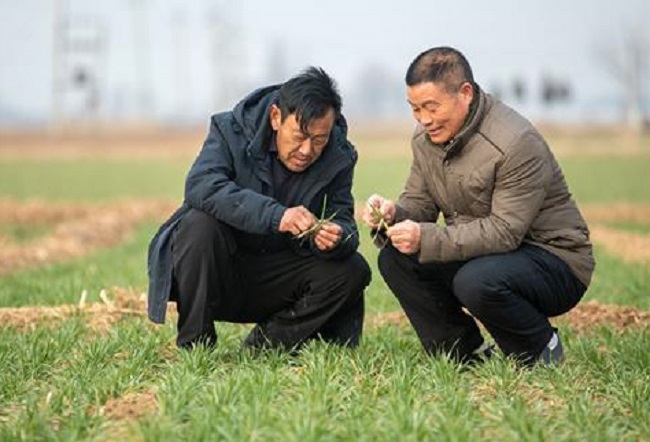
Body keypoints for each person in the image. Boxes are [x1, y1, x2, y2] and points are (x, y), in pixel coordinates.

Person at [362, 47, 595, 366]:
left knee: (475, 280)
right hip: (488, 255)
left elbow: (505, 232)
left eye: (431, 106)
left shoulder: (515, 142)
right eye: (415, 108)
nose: (424, 119)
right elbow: (420, 203)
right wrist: (392, 215)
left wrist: (426, 238)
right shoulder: (425, 139)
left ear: (465, 93)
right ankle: (463, 352)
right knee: (395, 259)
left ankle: (540, 349)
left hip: (554, 260)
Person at [148, 67, 371, 350]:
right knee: (199, 225)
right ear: (276, 117)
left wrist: (337, 238)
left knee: (352, 270)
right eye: (300, 136)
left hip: (278, 274)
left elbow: (344, 220)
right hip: (218, 271)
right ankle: (196, 344)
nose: (306, 150)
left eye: (318, 140)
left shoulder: (338, 156)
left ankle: (265, 345)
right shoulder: (230, 130)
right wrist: (276, 216)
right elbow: (201, 185)